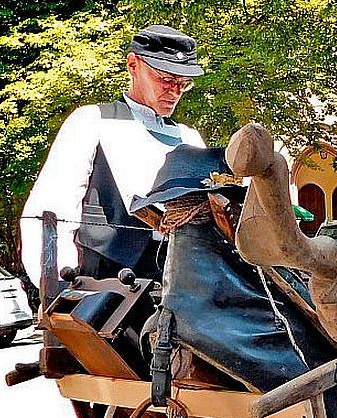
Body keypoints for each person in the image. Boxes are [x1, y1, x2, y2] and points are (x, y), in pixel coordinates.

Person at [21, 25, 206, 288]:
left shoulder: (189, 138)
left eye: (182, 84)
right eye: (166, 79)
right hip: (100, 286)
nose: (174, 91)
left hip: (178, 286)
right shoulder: (91, 121)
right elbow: (49, 210)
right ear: (133, 65)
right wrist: (58, 286)